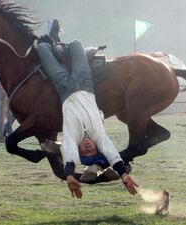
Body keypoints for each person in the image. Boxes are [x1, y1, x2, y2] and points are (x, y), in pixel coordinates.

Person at [36, 39, 139, 198]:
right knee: (76, 44)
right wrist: (123, 175)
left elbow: (70, 156)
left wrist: (69, 176)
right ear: (97, 147)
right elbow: (111, 153)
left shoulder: (72, 138)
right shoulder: (99, 136)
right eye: (92, 150)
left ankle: (52, 43)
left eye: (86, 151)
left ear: (79, 151)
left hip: (64, 88)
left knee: (42, 47)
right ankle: (60, 48)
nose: (89, 147)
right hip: (85, 83)